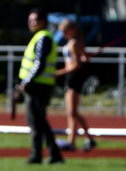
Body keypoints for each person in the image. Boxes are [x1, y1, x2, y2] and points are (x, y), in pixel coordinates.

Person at [18, 9, 63, 165]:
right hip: (39, 84)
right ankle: (52, 154)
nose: (31, 23)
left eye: (34, 20)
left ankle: (38, 154)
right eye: (29, 20)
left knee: (36, 121)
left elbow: (39, 62)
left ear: (43, 21)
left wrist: (27, 82)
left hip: (38, 86)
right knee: (39, 121)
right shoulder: (40, 37)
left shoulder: (43, 37)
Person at [55, 18, 95, 152]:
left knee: (71, 112)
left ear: (71, 30)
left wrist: (58, 73)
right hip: (71, 76)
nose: (63, 34)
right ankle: (89, 138)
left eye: (64, 32)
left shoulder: (74, 43)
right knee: (72, 111)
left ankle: (71, 142)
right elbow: (82, 57)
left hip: (74, 77)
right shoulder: (74, 42)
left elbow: (75, 65)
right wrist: (85, 56)